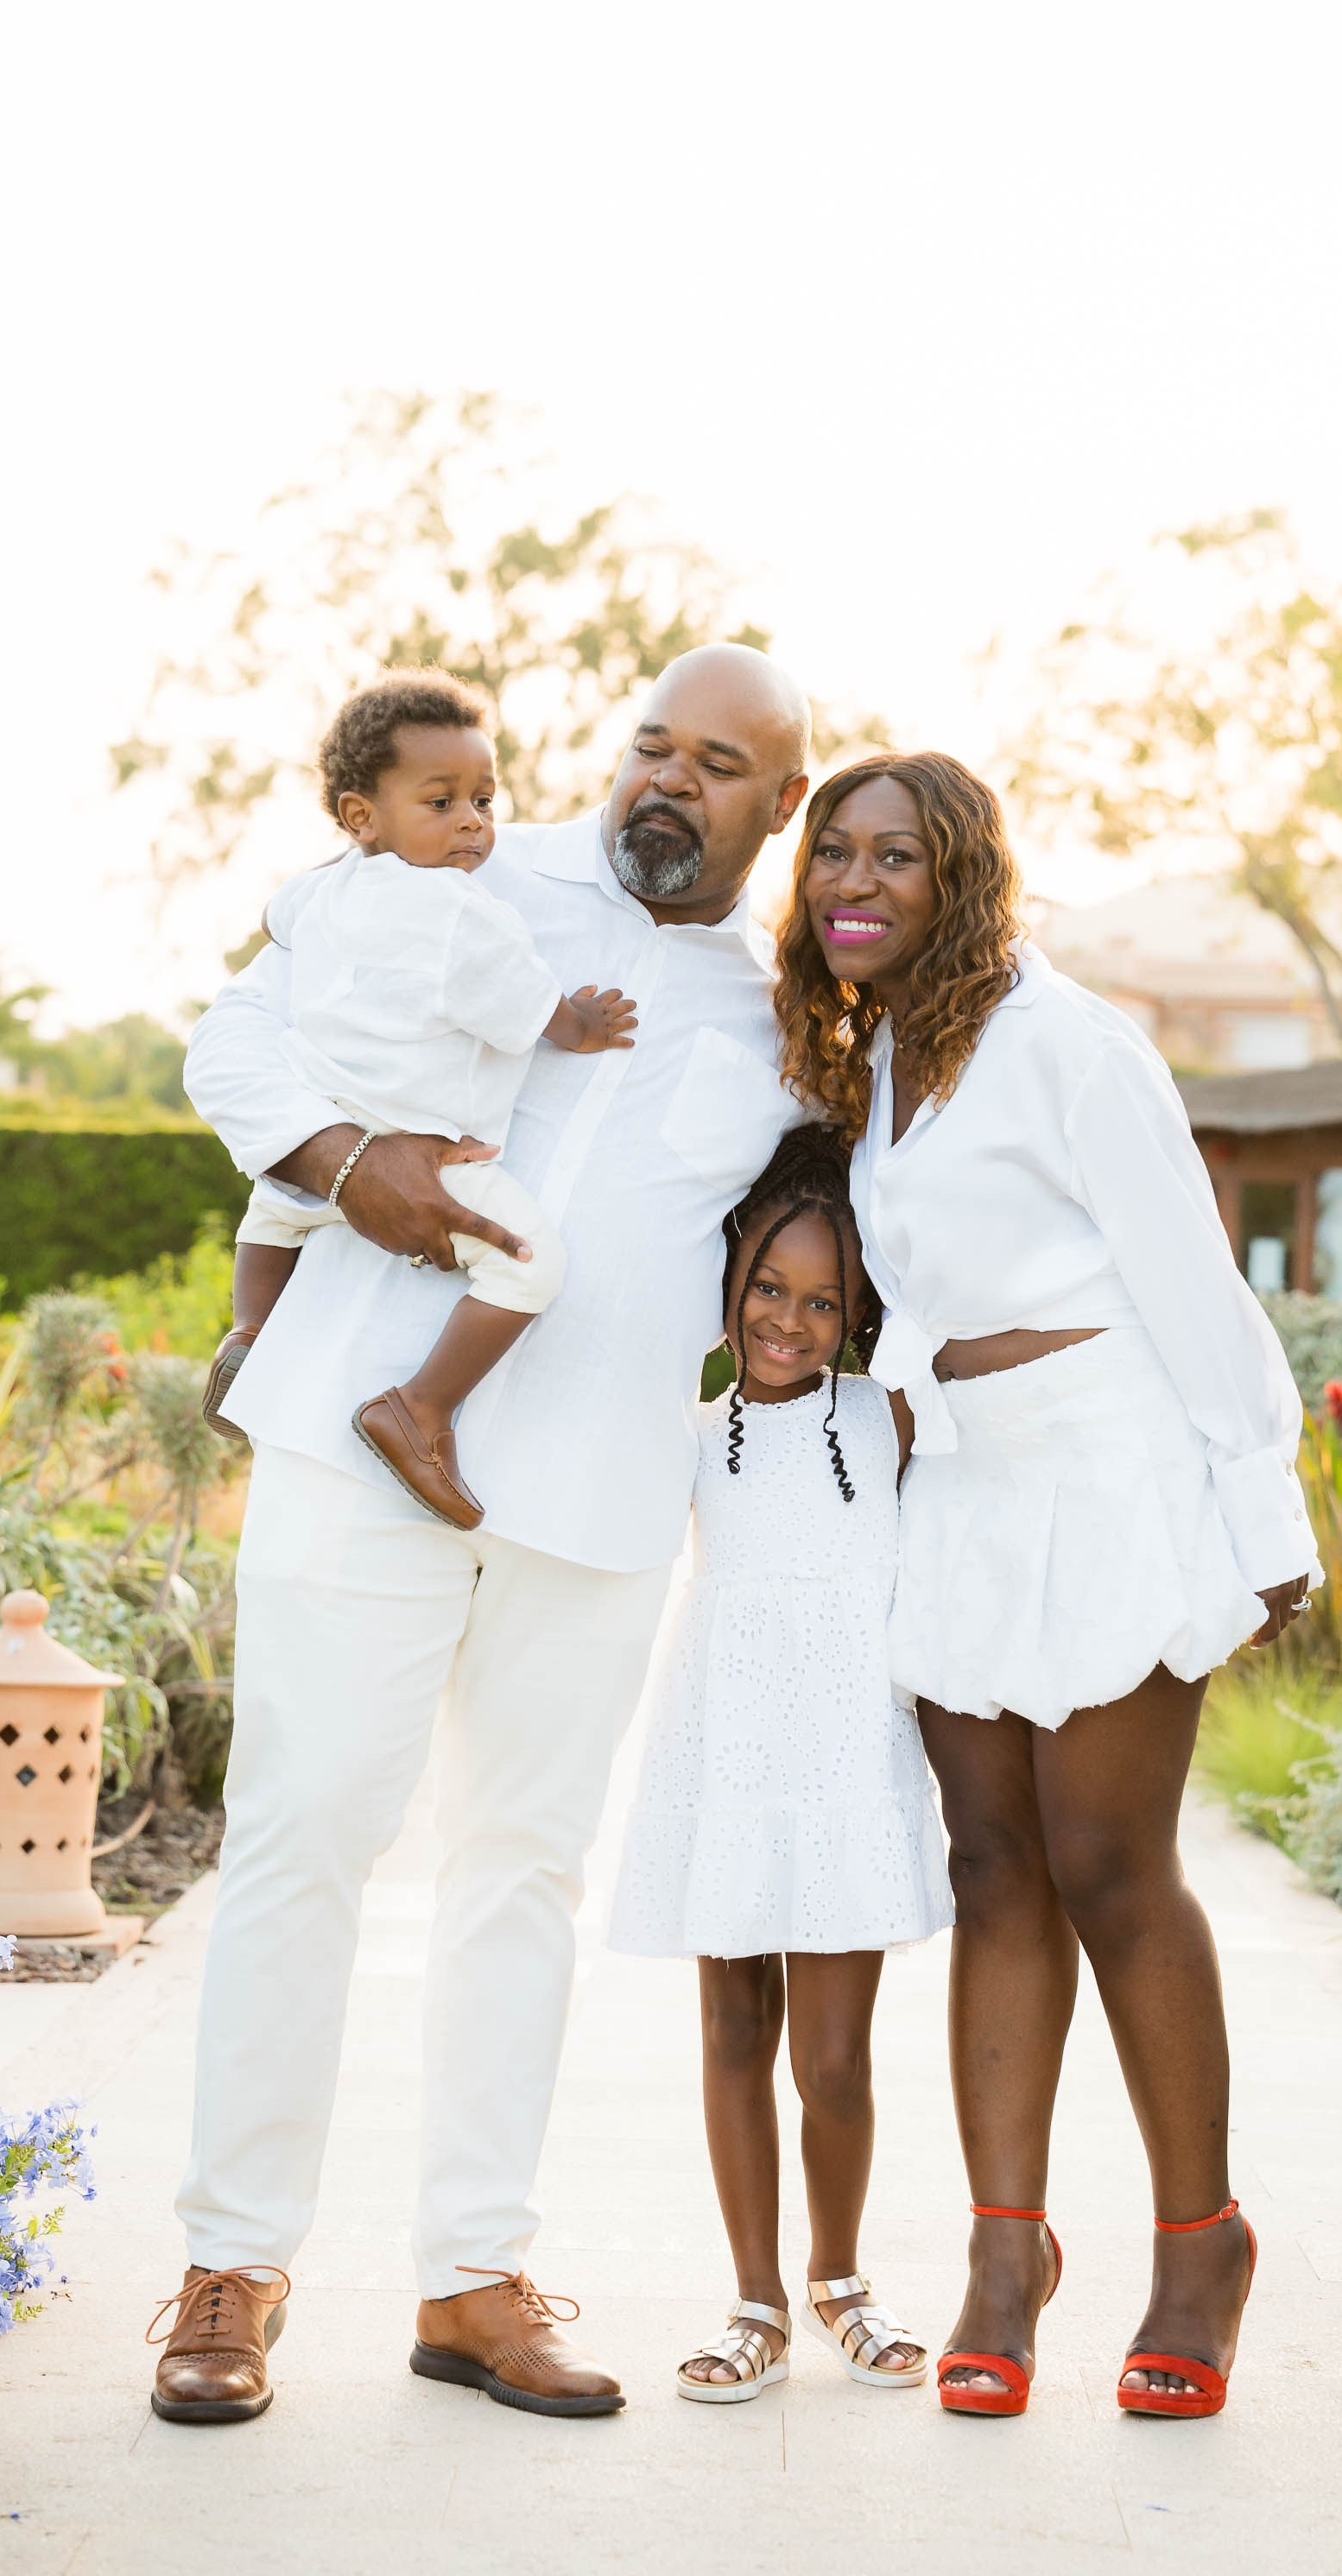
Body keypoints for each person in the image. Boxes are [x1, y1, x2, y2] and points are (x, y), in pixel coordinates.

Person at [157, 646, 811, 2427]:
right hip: (356, 1444)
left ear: (784, 805)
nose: (668, 784)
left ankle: (471, 2279)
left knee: (522, 1879)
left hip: (594, 1501)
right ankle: (232, 2266)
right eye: (649, 747)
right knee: (301, 1840)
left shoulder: (789, 1020)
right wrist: (342, 1153)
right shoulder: (460, 869)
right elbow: (239, 1034)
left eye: (721, 764)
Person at [772, 751, 1320, 2421]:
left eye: (895, 859)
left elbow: (1187, 1273)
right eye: (833, 858)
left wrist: (1263, 1508)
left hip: (1114, 1465)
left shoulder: (1073, 1044)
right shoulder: (878, 1064)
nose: (853, 884)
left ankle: (1197, 2246)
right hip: (974, 1481)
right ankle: (1007, 2259)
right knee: (992, 1862)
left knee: (1106, 1860)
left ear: (962, 879)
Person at [608, 1125, 952, 2402]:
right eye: (768, 1288)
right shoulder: (689, 1429)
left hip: (850, 1756)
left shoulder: (887, 1419)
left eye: (823, 1301)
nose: (789, 1321)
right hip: (728, 1752)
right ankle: (753, 2298)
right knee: (734, 2027)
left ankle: (840, 2279)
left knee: (834, 2060)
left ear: (858, 1312)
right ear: (730, 1277)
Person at [204, 669, 637, 1528]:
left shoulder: (328, 885)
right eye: (440, 803)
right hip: (420, 1155)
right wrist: (579, 1024)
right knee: (528, 1264)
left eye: (483, 798)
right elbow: (520, 1003)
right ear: (364, 815)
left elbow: (273, 916)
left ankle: (250, 1334)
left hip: (320, 1140)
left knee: (272, 1215)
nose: (473, 822)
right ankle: (419, 1410)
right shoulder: (458, 909)